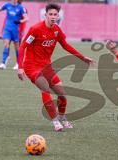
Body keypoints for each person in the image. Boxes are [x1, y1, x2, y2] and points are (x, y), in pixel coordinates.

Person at [17, 3, 95, 131]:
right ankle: (55, 122)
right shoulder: (35, 29)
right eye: (50, 14)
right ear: (45, 15)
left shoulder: (57, 30)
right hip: (32, 66)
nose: (53, 17)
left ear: (58, 16)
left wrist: (82, 57)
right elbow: (23, 46)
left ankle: (63, 118)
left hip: (46, 67)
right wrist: (20, 67)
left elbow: (66, 45)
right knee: (45, 89)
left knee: (62, 95)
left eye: (55, 14)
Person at [0, 0, 28, 70]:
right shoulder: (7, 5)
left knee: (17, 47)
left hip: (15, 30)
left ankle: (18, 63)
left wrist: (19, 21)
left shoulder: (21, 8)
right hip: (7, 29)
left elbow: (26, 18)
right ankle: (3, 63)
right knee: (6, 44)